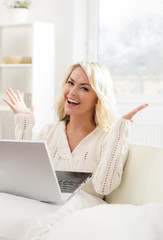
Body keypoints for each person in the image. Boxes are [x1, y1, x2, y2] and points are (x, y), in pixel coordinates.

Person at [3, 62, 148, 240]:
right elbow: (24, 176)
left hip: (84, 203)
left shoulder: (106, 137)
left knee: (34, 225)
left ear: (98, 98)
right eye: (70, 83)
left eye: (84, 88)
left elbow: (104, 186)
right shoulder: (49, 131)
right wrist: (24, 124)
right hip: (47, 202)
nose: (72, 92)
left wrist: (120, 132)